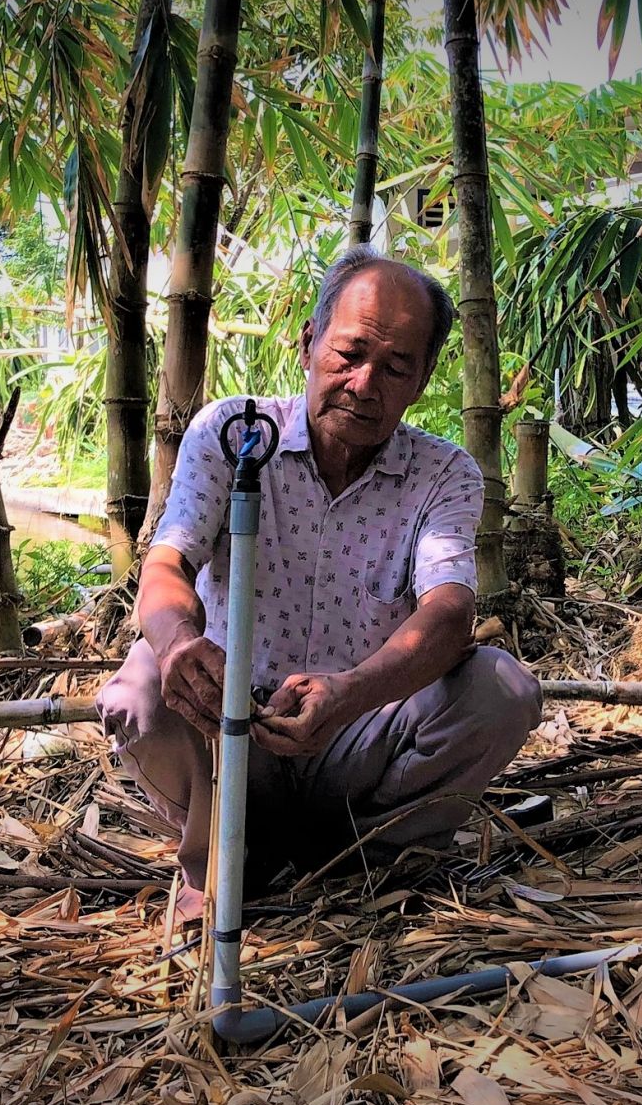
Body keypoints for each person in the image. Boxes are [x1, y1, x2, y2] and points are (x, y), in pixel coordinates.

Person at [96, 246, 543, 912]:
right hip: (228, 735)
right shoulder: (233, 434)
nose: (365, 384)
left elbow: (450, 615)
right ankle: (222, 856)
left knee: (501, 688)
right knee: (139, 687)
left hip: (360, 739)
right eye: (350, 354)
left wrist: (349, 693)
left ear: (421, 382)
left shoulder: (443, 474)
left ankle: (380, 858)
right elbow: (166, 566)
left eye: (395, 368)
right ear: (309, 342)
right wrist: (179, 642)